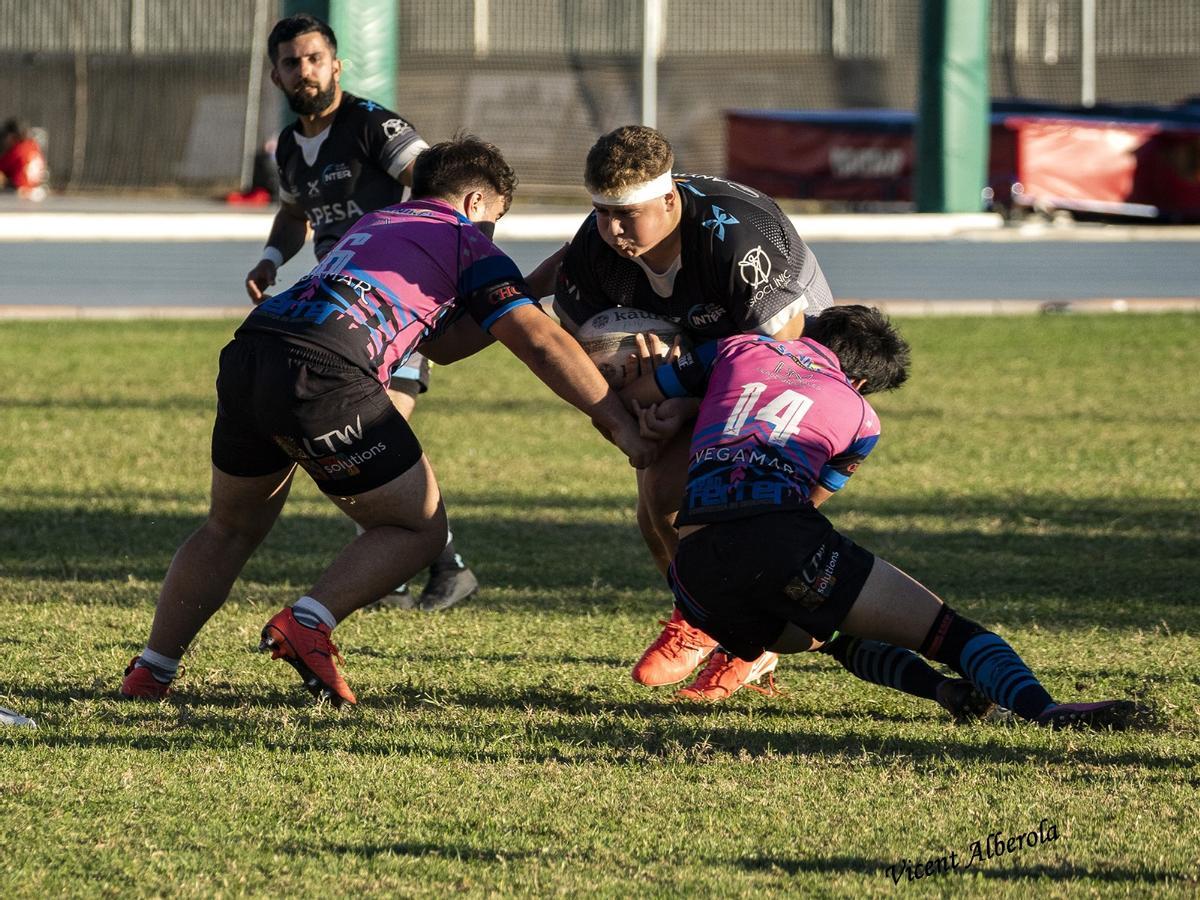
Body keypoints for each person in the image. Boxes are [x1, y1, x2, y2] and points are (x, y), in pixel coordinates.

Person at [119, 136, 656, 707]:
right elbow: (542, 344)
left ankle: (152, 669)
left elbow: (443, 346)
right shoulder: (464, 239)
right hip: (325, 372)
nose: (490, 234)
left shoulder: (378, 221)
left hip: (253, 353)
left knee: (229, 527)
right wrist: (619, 425)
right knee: (418, 529)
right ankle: (308, 622)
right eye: (494, 220)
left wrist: (535, 282)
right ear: (475, 201)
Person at [619, 306, 1139, 730]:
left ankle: (944, 692)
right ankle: (1043, 710)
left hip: (695, 575)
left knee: (827, 632)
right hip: (774, 543)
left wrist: (687, 404)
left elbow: (639, 397)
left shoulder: (739, 348)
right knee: (949, 633)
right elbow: (809, 501)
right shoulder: (862, 418)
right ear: (862, 380)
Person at [551, 124, 835, 697]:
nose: (612, 230)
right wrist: (629, 411)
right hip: (697, 355)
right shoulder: (596, 249)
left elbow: (778, 352)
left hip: (788, 356)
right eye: (602, 212)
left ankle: (739, 636)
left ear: (668, 197)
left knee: (711, 506)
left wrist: (683, 398)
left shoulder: (734, 240)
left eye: (627, 215)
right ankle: (711, 620)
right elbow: (579, 362)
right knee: (655, 510)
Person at [245, 13, 477, 612]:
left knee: (371, 435)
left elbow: (439, 182)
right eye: (292, 62)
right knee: (359, 441)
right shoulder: (291, 146)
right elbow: (295, 213)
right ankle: (421, 568)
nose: (305, 71)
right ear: (275, 76)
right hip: (337, 310)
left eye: (315, 58)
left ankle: (433, 566)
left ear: (337, 64)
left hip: (392, 303)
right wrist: (271, 258)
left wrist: (441, 258)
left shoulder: (373, 125)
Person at [0, 118, 47, 201]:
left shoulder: (18, 151)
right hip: (36, 190)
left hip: (20, 191)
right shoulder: (33, 146)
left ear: (12, 136)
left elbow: (2, 168)